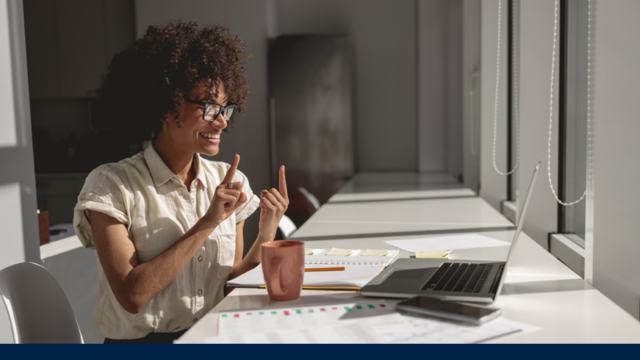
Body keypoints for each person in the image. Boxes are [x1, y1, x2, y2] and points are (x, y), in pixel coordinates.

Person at [73, 21, 288, 344]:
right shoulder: (111, 185)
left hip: (212, 337)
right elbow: (132, 295)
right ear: (165, 104)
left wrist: (267, 232)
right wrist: (208, 222)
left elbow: (230, 286)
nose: (222, 120)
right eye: (208, 107)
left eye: (225, 108)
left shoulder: (229, 179)